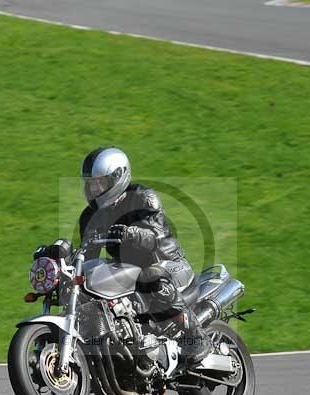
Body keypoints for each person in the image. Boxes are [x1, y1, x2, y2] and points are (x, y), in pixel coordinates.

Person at [78, 146, 211, 365]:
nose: (93, 189)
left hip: (167, 264)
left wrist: (131, 233)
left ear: (117, 178)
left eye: (99, 183)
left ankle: (195, 336)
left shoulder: (143, 197)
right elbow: (87, 254)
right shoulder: (90, 215)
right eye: (90, 184)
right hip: (127, 272)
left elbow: (153, 238)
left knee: (150, 276)